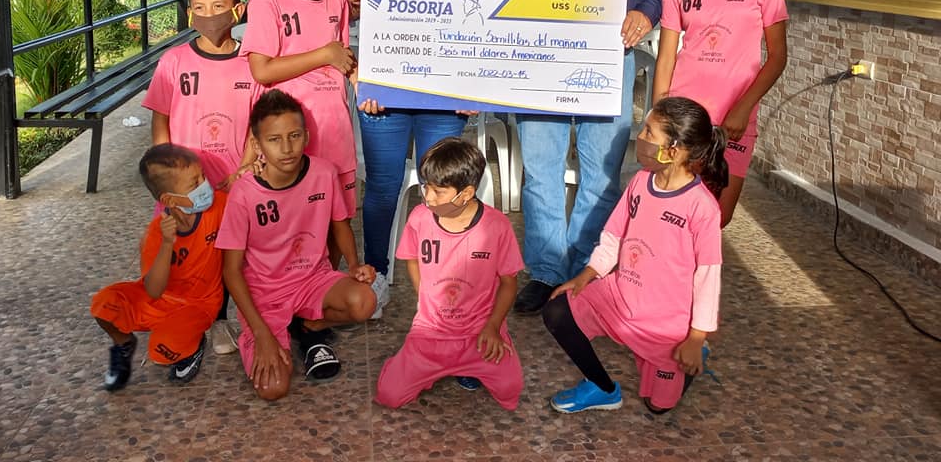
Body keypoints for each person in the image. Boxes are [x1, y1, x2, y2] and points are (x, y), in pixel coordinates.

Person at [484, 0, 675, 313]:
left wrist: (647, 11)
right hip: (539, 58)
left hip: (608, 55)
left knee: (601, 169)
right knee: (541, 171)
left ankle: (587, 269)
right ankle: (547, 272)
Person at [342, 0, 491, 317]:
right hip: (381, 94)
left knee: (443, 185)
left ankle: (445, 279)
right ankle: (376, 276)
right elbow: (343, 17)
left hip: (443, 98)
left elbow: (484, 22)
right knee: (383, 187)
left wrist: (473, 88)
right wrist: (353, 9)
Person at [541, 96, 727, 414]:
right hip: (619, 297)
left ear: (674, 150)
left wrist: (696, 338)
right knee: (557, 311)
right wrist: (586, 275)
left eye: (649, 132)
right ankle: (602, 388)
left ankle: (690, 358)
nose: (640, 137)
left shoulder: (702, 208)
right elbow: (614, 235)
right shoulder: (640, 181)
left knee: (658, 406)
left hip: (665, 325)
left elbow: (708, 276)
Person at [216, 90, 377, 400]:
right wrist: (262, 334)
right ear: (257, 145)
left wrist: (355, 266)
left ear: (307, 136)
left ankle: (309, 324)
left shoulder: (324, 172)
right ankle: (274, 330)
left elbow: (340, 225)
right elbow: (231, 271)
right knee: (273, 388)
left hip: (312, 280)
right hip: (265, 295)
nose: (287, 148)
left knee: (364, 301)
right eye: (274, 139)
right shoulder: (244, 193)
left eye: (294, 136)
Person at [653, 0, 788, 227]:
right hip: (684, 119)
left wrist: (744, 108)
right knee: (674, 209)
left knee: (716, 216)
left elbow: (777, 57)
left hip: (734, 122)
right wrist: (658, 117)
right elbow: (666, 58)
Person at [142, 0, 257, 355]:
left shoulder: (252, 63)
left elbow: (256, 126)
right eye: (200, 8)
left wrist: (243, 168)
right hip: (188, 189)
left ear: (237, 11)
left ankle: (230, 318)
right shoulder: (174, 62)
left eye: (218, 7)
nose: (209, 15)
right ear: (190, 13)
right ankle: (193, 316)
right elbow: (160, 118)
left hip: (234, 184)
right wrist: (166, 177)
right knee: (192, 255)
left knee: (230, 253)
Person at [375, 137, 524, 410]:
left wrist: (493, 326)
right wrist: (424, 297)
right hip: (431, 331)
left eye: (438, 191)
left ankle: (466, 364)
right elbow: (411, 259)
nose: (428, 197)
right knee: (389, 395)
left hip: (478, 331)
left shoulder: (497, 226)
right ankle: (420, 364)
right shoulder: (419, 217)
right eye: (426, 187)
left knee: (509, 389)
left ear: (466, 194)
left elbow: (509, 281)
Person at [240, 0, 358, 222]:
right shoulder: (265, 0)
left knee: (338, 218)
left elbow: (342, 55)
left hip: (333, 126)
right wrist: (323, 54)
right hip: (286, 136)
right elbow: (262, 70)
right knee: (292, 221)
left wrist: (361, 79)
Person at [90, 144, 226, 391]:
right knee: (104, 304)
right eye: (194, 184)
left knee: (162, 351)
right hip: (160, 300)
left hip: (199, 304)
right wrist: (167, 244)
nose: (205, 186)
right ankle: (123, 344)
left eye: (203, 176)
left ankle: (192, 346)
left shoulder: (219, 207)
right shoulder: (155, 234)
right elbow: (153, 290)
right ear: (169, 199)